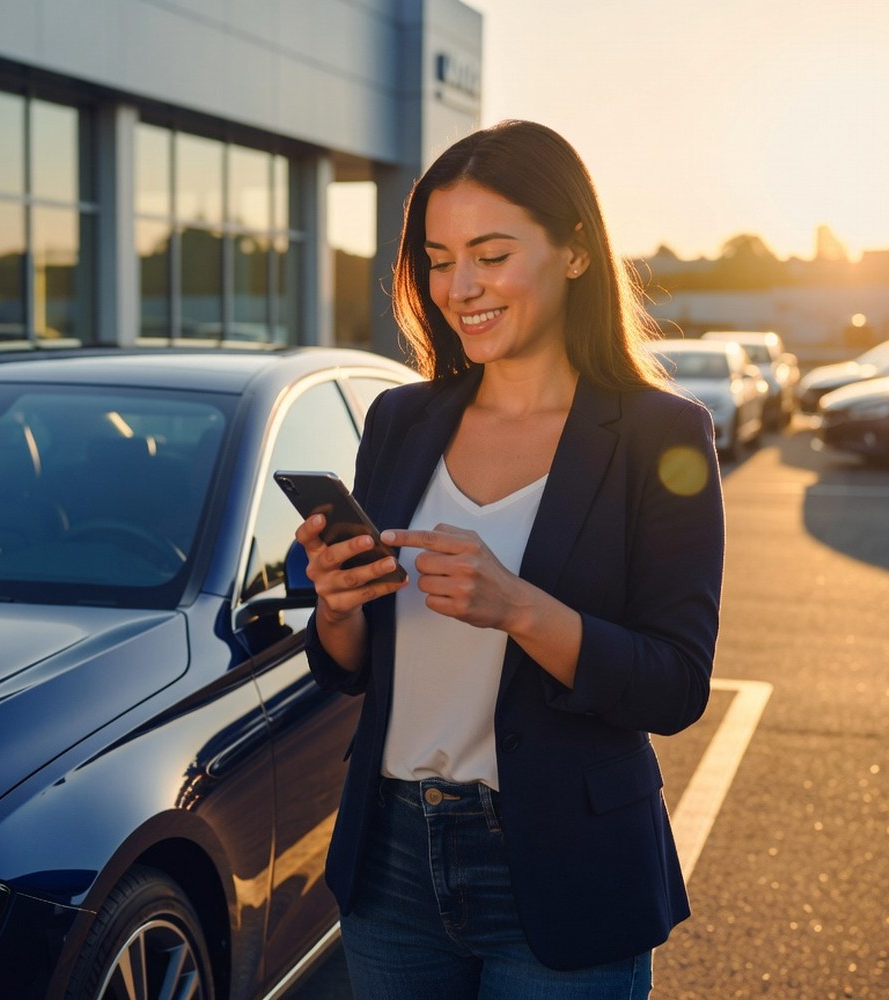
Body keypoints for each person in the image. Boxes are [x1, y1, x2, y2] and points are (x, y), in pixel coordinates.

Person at [293, 119, 725, 998]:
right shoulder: (401, 421)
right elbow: (355, 669)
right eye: (439, 258)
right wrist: (336, 608)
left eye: (491, 255)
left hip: (566, 865)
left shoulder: (660, 436)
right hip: (392, 861)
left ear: (573, 251)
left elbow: (676, 685)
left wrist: (518, 606)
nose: (460, 287)